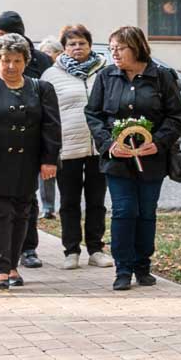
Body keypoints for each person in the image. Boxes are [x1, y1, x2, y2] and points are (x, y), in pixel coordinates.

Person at [84, 26, 181, 291]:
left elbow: (177, 117)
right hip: (117, 160)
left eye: (120, 48)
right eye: (112, 49)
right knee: (124, 210)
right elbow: (93, 114)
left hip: (152, 159)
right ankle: (123, 269)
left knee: (146, 212)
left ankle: (143, 266)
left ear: (137, 47)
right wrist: (108, 145)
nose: (115, 54)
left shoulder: (162, 76)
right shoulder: (106, 76)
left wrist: (158, 142)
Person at [0, 34, 60, 290]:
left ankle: (12, 266)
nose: (11, 66)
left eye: (17, 60)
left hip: (27, 161)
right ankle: (0, 270)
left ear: (26, 62)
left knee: (21, 213)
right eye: (5, 60)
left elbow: (51, 126)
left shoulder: (41, 88)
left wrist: (49, 159)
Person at [43, 25, 112, 269]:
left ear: (90, 45)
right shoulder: (51, 75)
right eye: (72, 44)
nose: (77, 48)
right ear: (64, 48)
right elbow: (47, 115)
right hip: (67, 149)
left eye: (82, 43)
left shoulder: (105, 71)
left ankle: (96, 249)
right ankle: (71, 250)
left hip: (98, 148)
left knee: (96, 201)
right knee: (69, 202)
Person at [35, 39, 63, 221]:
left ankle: (57, 205)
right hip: (48, 127)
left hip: (65, 127)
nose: (45, 57)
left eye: (48, 53)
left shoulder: (62, 73)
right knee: (46, 168)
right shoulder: (42, 74)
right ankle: (48, 207)